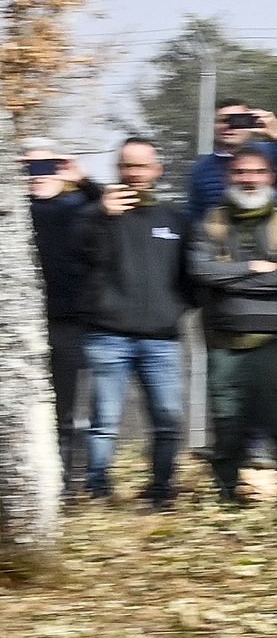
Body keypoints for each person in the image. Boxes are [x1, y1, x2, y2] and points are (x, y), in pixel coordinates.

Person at [187, 145, 277, 505]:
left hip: (276, 344)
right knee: (227, 425)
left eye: (257, 171)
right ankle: (229, 498)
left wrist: (228, 277)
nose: (249, 179)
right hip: (224, 344)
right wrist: (253, 268)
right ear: (228, 176)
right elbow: (200, 271)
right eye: (241, 171)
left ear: (271, 176)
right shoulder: (209, 222)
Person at [80, 138, 192, 509]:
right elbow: (78, 252)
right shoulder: (97, 215)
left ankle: (161, 490)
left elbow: (191, 275)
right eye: (128, 165)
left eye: (142, 166)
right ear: (118, 169)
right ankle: (98, 492)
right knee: (104, 421)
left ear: (157, 170)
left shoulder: (175, 219)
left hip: (162, 339)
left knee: (168, 419)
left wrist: (174, 309)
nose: (135, 173)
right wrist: (101, 215)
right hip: (109, 336)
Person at [25, 144, 101, 498]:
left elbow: (111, 208)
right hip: (18, 327)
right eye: (29, 167)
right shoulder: (12, 210)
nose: (37, 173)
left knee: (65, 408)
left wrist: (82, 179)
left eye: (47, 165)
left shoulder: (78, 207)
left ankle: (64, 483)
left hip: (68, 323)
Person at [184, 99, 277, 224]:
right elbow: (195, 216)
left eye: (237, 120)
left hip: (271, 231)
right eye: (222, 121)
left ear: (250, 122)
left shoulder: (270, 153)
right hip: (222, 232)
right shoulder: (201, 168)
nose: (229, 126)